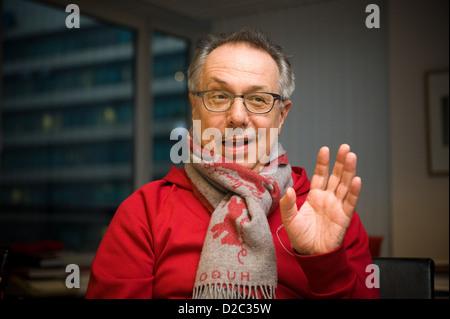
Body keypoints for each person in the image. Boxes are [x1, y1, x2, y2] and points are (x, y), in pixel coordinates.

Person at [85, 28, 379, 299]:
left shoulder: (326, 211)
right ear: (195, 109)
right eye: (218, 95)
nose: (237, 116)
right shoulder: (144, 212)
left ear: (282, 115)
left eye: (259, 99)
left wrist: (326, 264)